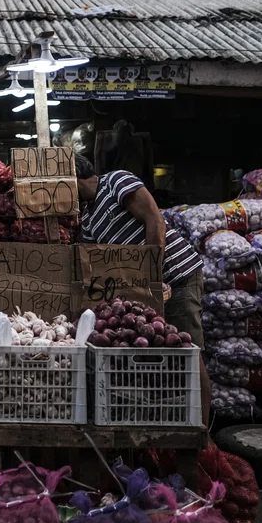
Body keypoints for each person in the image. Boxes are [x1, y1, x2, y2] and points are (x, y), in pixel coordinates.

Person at [75, 155, 211, 423]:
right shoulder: (87, 219)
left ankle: (203, 434)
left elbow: (155, 221)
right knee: (158, 351)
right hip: (145, 291)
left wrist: (152, 278)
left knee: (188, 349)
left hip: (177, 275)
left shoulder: (116, 181)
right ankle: (169, 426)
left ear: (71, 176)